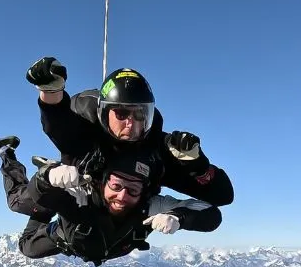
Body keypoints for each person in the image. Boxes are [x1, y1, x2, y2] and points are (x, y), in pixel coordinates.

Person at [25, 57, 235, 208]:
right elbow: (58, 121)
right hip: (79, 206)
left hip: (123, 225)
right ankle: (9, 156)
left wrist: (198, 165)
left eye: (141, 115)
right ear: (105, 113)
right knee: (24, 205)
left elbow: (222, 195)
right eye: (122, 113)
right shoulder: (87, 132)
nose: (131, 123)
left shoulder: (156, 151)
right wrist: (50, 90)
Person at [0, 135, 222, 266]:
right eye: (116, 186)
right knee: (21, 221)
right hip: (67, 234)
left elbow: (212, 215)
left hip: (102, 244)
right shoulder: (83, 190)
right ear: (103, 182)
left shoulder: (152, 205)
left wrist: (179, 217)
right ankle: (7, 154)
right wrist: (47, 178)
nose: (122, 196)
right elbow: (39, 193)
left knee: (37, 224)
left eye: (133, 190)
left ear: (145, 190)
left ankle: (47, 202)